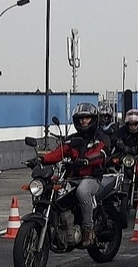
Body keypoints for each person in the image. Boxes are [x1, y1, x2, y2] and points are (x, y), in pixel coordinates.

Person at [37, 102, 110, 248]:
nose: (84, 121)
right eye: (81, 118)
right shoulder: (72, 139)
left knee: (82, 191)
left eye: (87, 118)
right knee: (53, 190)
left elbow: (102, 154)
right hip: (72, 177)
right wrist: (41, 159)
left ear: (93, 119)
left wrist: (88, 160)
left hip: (93, 178)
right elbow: (58, 153)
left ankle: (88, 229)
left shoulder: (100, 137)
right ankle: (59, 227)